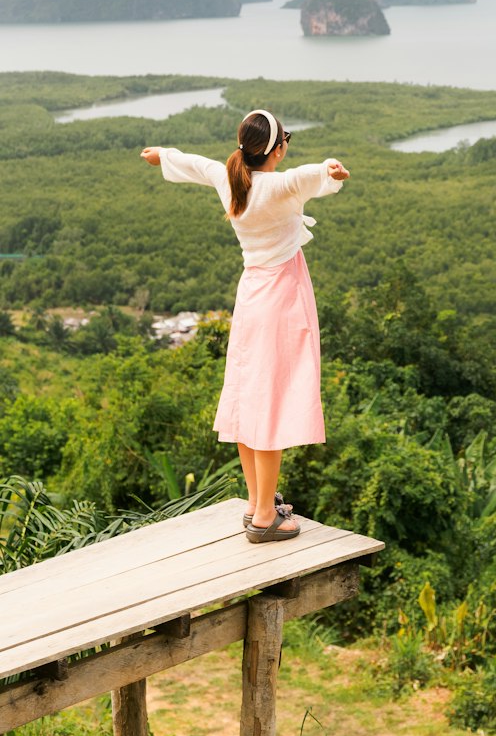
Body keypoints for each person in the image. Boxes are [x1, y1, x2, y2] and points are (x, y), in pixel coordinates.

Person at [140, 109, 349, 543]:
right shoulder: (276, 185)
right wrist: (332, 170)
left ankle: (260, 504)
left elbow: (200, 165)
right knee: (270, 406)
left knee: (249, 400)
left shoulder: (231, 177)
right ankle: (263, 520)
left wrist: (163, 155)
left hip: (252, 296)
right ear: (276, 149)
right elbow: (309, 176)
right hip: (281, 302)